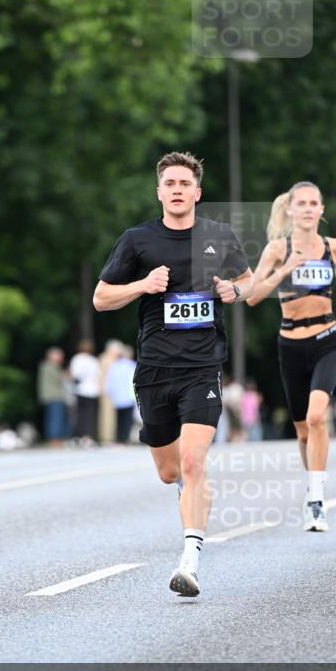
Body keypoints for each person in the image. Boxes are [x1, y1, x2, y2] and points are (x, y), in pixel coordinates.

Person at [94, 151, 254, 596]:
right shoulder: (137, 240)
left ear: (198, 192)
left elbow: (251, 282)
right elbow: (101, 298)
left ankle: (190, 561)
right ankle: (190, 493)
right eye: (170, 184)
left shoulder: (218, 237)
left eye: (185, 183)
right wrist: (142, 286)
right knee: (170, 472)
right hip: (154, 371)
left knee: (193, 460)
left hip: (202, 367)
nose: (178, 190)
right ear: (160, 191)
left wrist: (233, 290)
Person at [247, 181, 336, 531]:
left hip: (326, 339)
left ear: (322, 210)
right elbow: (252, 296)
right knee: (303, 432)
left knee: (317, 417)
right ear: (290, 210)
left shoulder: (333, 246)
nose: (308, 209)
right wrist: (286, 267)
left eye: (314, 203)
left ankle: (317, 501)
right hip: (291, 345)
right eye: (301, 204)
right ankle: (312, 490)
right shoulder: (278, 249)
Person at [69, 340, 101, 445]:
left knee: (80, 414)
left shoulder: (77, 359)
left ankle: (80, 436)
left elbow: (75, 375)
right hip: (92, 391)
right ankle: (88, 436)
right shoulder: (94, 360)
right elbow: (98, 375)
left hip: (81, 390)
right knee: (90, 415)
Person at [104, 344, 137, 443]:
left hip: (117, 397)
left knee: (119, 419)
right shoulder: (132, 365)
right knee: (127, 419)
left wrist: (110, 392)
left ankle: (119, 438)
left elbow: (109, 381)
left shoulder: (114, 366)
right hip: (129, 397)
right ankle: (125, 438)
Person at [37, 347, 68, 445]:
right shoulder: (50, 366)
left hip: (51, 396)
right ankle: (54, 439)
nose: (61, 357)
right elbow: (59, 379)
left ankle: (55, 438)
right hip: (54, 396)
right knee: (56, 418)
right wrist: (65, 374)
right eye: (59, 355)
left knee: (53, 418)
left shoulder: (46, 366)